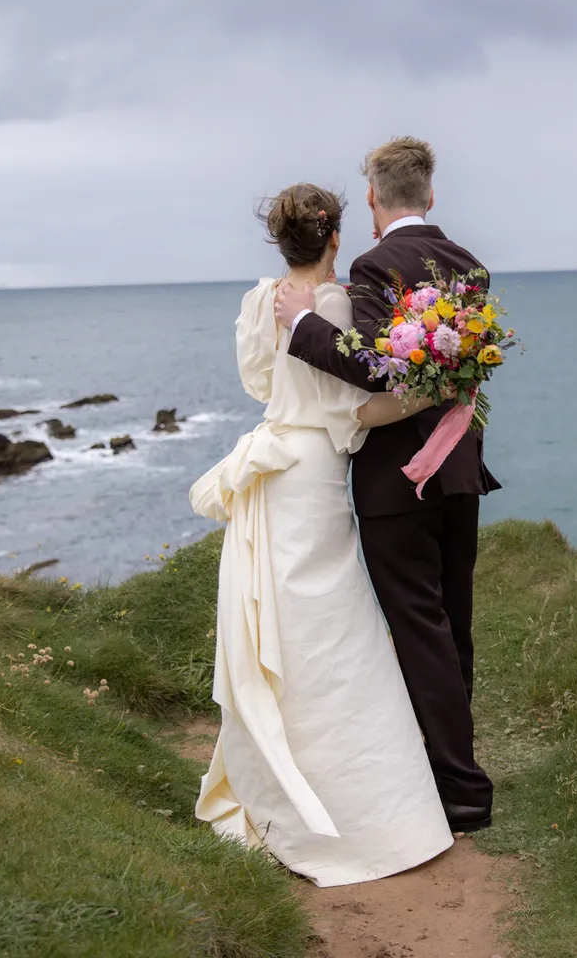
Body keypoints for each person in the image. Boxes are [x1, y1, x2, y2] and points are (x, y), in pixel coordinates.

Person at [190, 183, 453, 886]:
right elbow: (359, 410)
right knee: (334, 631)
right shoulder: (341, 309)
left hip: (272, 469)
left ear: (282, 242)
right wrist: (428, 394)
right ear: (335, 236)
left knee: (279, 624)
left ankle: (275, 780)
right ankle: (375, 813)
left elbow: (256, 381)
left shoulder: (258, 302)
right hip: (317, 473)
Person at [273, 137, 498, 833]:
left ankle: (460, 789)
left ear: (372, 198)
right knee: (451, 625)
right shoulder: (471, 267)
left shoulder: (374, 267)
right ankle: (451, 772)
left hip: (399, 483)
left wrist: (302, 324)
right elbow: (463, 367)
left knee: (421, 629)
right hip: (458, 468)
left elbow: (375, 367)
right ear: (430, 195)